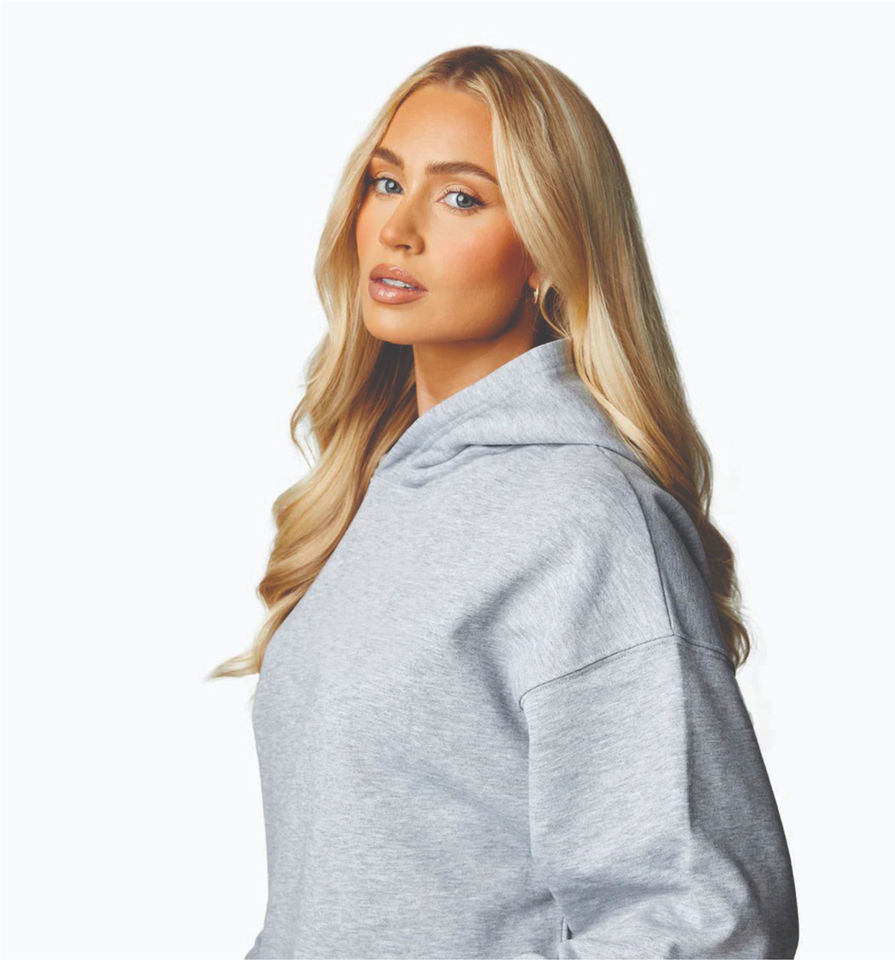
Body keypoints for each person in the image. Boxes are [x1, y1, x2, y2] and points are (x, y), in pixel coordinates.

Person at [208, 45, 800, 960]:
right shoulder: (374, 500)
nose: (397, 228)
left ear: (547, 252)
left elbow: (700, 923)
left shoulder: (587, 515)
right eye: (384, 182)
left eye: (460, 198)